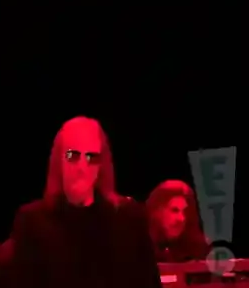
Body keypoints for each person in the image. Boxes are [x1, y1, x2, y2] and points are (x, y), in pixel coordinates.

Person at [9, 116, 162, 288]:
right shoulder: (32, 222)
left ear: (101, 165)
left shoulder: (130, 219)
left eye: (91, 157)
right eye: (73, 155)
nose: (82, 168)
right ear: (59, 160)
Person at [146, 179, 210, 262]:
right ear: (158, 212)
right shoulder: (139, 247)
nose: (182, 218)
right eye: (175, 210)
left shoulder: (199, 250)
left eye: (184, 211)